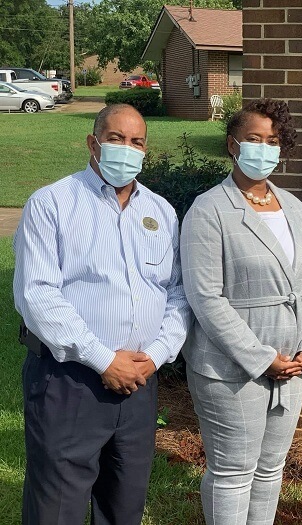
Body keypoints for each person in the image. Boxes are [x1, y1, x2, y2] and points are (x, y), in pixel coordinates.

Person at [13, 103, 191, 525]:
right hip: (69, 381)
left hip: (139, 384)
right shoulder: (51, 204)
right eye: (116, 139)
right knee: (58, 508)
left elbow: (178, 293)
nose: (126, 149)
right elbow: (37, 296)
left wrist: (158, 353)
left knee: (124, 506)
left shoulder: (162, 213)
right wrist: (103, 359)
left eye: (137, 142)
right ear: (93, 143)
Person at [180, 98, 302, 525]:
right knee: (233, 471)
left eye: (274, 141)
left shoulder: (296, 209)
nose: (265, 149)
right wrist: (262, 359)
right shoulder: (208, 211)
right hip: (231, 368)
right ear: (232, 145)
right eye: (254, 139)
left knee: (270, 469)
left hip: (291, 365)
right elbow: (205, 298)